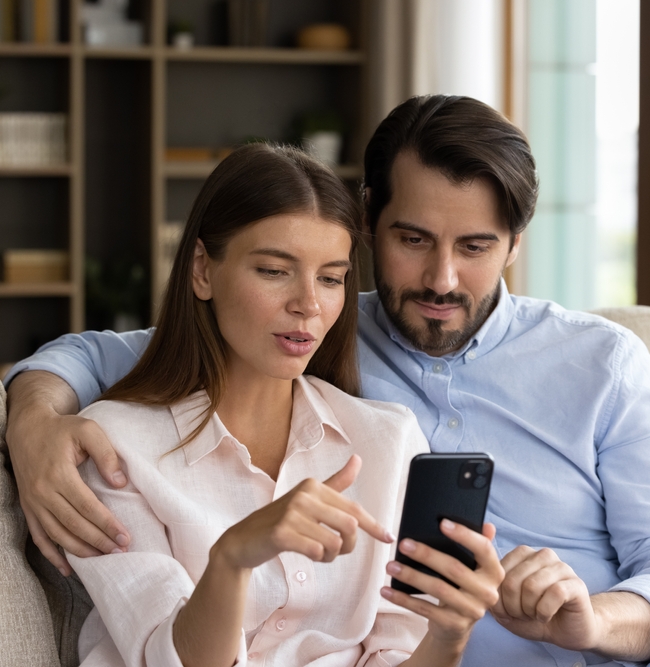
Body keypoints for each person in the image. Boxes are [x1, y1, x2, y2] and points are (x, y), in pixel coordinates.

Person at [5, 95, 650, 667]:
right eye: (413, 240)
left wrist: (592, 621)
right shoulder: (306, 334)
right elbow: (107, 357)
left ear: (513, 243)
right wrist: (35, 423)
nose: (442, 278)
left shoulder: (604, 362)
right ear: (370, 219)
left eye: (476, 246)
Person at [58, 142, 504, 667]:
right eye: (274, 270)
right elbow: (164, 658)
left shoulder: (387, 439)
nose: (309, 304)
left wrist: (449, 637)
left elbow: (393, 653)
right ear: (202, 270)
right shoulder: (115, 448)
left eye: (331, 278)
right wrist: (233, 558)